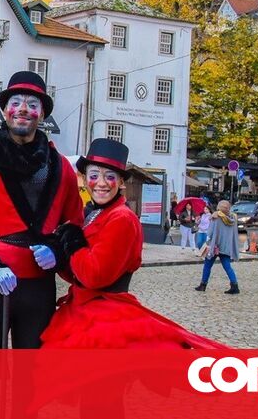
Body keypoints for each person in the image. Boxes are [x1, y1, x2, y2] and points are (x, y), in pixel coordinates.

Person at [41, 138, 227, 349]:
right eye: (94, 176)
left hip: (104, 314)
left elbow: (94, 276)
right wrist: (59, 257)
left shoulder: (122, 219)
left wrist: (73, 242)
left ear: (121, 182)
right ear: (84, 180)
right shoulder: (93, 214)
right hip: (80, 308)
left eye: (109, 177)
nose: (101, 183)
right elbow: (77, 274)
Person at [0, 70, 83, 349]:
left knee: (34, 370)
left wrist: (58, 251)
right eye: (16, 103)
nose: (23, 109)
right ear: (4, 111)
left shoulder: (61, 169)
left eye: (32, 104)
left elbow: (74, 224)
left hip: (40, 286)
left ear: (42, 114)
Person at [196, 199, 240, 294]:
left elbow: (210, 232)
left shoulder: (216, 217)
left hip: (215, 246)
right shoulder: (233, 218)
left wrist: (208, 242)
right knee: (227, 266)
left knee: (207, 265)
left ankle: (203, 285)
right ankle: (234, 285)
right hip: (226, 246)